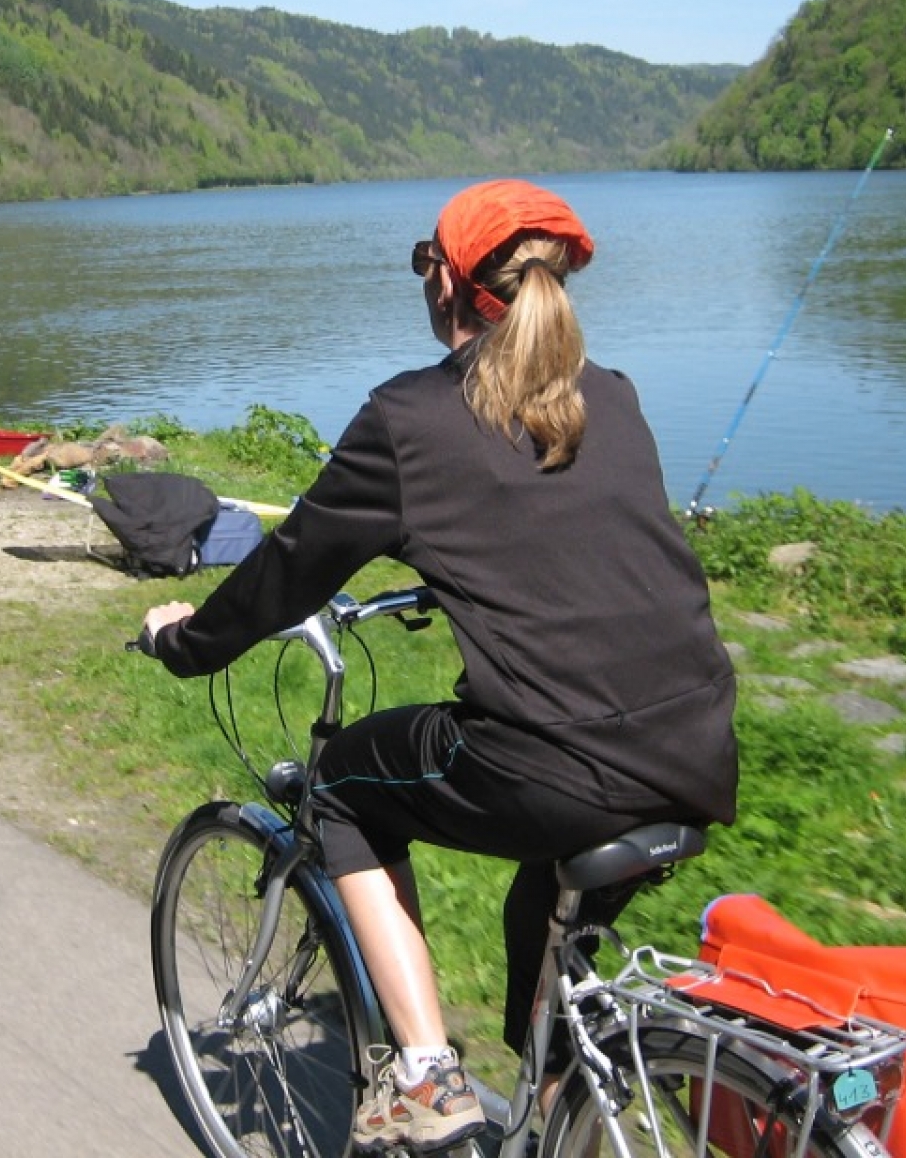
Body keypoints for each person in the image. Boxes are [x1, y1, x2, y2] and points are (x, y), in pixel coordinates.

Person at [143, 177, 738, 1154]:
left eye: (428, 260)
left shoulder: (410, 422)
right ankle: (556, 1113)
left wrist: (185, 640)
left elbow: (288, 576)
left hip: (560, 766)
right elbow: (569, 538)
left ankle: (423, 1073)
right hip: (694, 749)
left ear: (450, 287)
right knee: (543, 917)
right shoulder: (614, 397)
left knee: (338, 788)